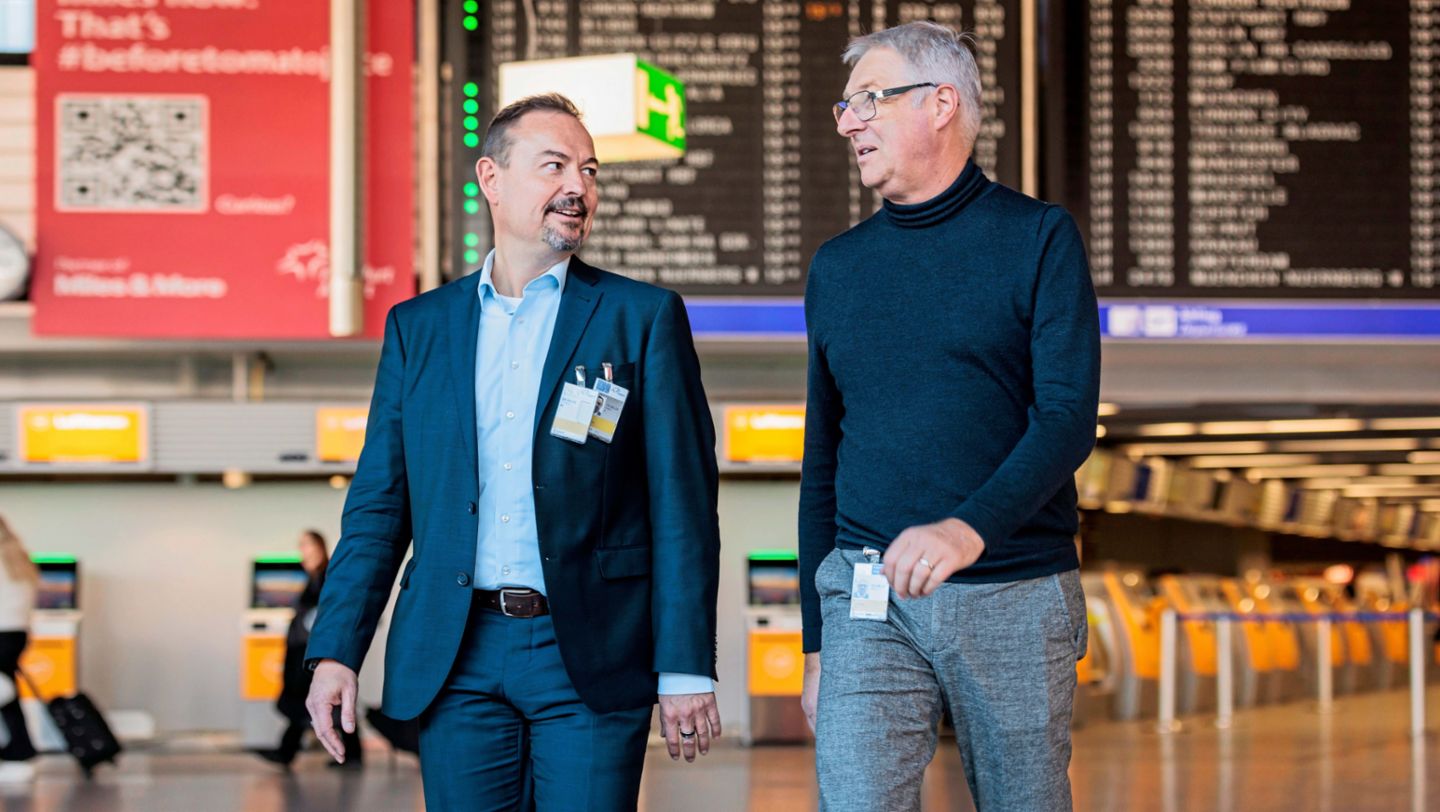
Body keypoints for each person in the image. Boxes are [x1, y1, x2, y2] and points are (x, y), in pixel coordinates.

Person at [304, 93, 722, 810]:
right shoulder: (419, 328)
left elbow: (681, 505)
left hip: (589, 651)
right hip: (456, 654)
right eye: (554, 165)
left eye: (589, 172)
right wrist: (337, 648)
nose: (578, 188)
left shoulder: (641, 318)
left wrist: (684, 665)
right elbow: (379, 507)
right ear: (491, 179)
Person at [798, 22, 1100, 812]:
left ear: (941, 104)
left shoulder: (1038, 240)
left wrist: (966, 529)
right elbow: (822, 457)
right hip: (867, 600)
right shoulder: (837, 267)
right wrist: (816, 641)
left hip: (1014, 591)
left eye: (869, 99)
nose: (848, 121)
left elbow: (1068, 419)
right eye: (845, 104)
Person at [254, 530, 362, 770]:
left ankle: (289, 751)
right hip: (305, 650)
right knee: (312, 701)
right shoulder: (314, 577)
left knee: (311, 700)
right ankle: (345, 752)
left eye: (306, 544)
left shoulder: (325, 577)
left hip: (311, 653)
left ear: (319, 547)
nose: (302, 550)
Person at [0, 517, 38, 784]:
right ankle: (19, 747)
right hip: (18, 633)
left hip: (1, 633)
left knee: (5, 692)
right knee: (7, 692)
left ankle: (20, 748)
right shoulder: (19, 560)